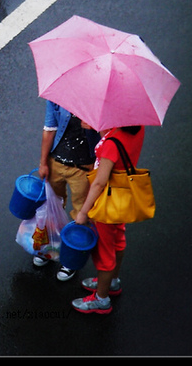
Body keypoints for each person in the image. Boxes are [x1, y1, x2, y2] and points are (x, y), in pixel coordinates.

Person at [72, 124, 145, 315]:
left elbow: (99, 183)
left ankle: (101, 299)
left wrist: (83, 212)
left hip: (108, 202)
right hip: (123, 196)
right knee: (118, 239)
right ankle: (112, 281)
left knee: (104, 253)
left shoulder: (112, 144)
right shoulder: (138, 128)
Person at [33, 100, 99, 281]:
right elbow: (49, 128)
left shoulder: (100, 102)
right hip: (56, 163)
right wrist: (43, 162)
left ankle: (71, 260)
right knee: (52, 206)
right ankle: (48, 247)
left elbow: (109, 136)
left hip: (84, 168)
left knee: (82, 214)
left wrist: (94, 128)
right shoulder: (57, 96)